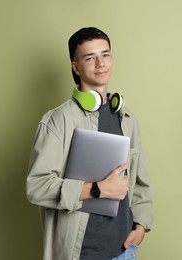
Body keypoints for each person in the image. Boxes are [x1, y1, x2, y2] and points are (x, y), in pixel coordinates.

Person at [26, 27, 153, 260]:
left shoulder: (127, 119)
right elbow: (37, 186)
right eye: (90, 58)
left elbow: (141, 181)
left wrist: (141, 225)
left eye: (105, 55)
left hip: (125, 252)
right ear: (76, 67)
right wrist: (98, 189)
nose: (100, 64)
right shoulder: (57, 120)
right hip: (81, 254)